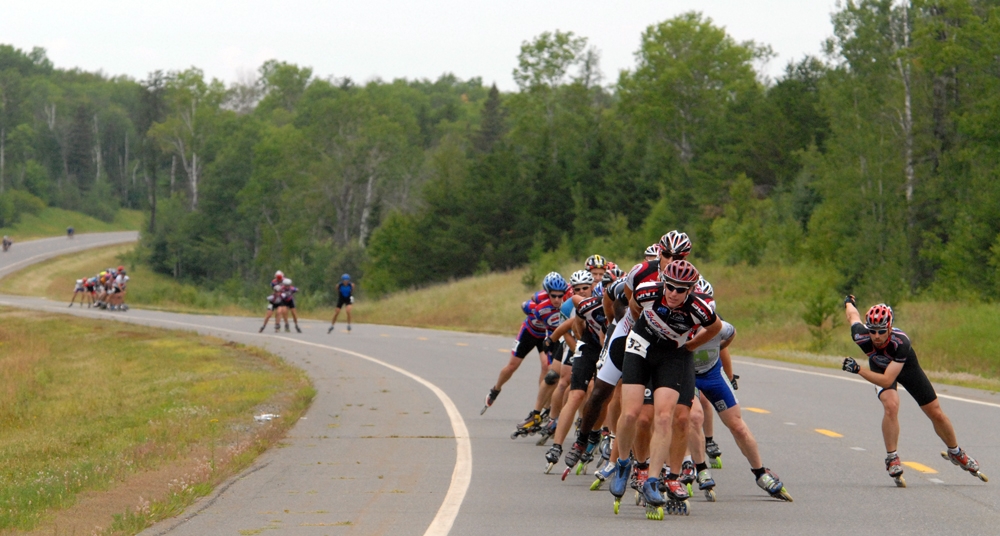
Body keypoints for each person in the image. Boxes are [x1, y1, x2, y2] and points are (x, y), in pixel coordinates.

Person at [609, 259, 720, 518]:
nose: (673, 293)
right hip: (641, 345)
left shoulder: (699, 308)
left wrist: (690, 345)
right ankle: (624, 463)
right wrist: (646, 327)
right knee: (631, 414)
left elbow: (715, 328)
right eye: (670, 286)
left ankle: (652, 480)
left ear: (690, 290)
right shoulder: (648, 290)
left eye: (681, 290)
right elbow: (634, 305)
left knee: (664, 417)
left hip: (673, 354)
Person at [842, 297, 988, 486]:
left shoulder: (901, 342)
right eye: (872, 331)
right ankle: (892, 458)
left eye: (881, 331)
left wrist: (859, 370)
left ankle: (956, 451)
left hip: (906, 368)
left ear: (890, 327)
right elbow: (852, 315)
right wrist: (849, 301)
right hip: (879, 367)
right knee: (891, 406)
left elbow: (887, 379)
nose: (876, 336)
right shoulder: (860, 335)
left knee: (935, 412)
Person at [480, 272, 568, 422]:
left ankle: (545, 404)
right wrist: (531, 307)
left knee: (548, 368)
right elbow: (524, 305)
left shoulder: (565, 301)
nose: (557, 299)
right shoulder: (538, 302)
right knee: (512, 366)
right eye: (554, 296)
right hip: (529, 332)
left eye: (560, 296)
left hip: (546, 335)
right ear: (547, 293)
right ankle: (496, 389)